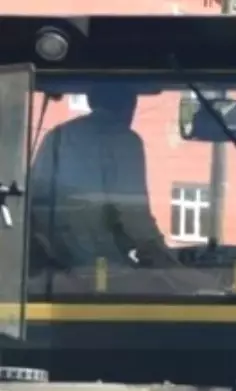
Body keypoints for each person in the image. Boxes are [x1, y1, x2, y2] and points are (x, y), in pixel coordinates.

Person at [29, 83, 174, 271]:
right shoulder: (125, 140)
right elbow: (133, 214)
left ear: (91, 101)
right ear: (130, 105)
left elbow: (33, 200)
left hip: (52, 268)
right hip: (101, 267)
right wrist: (164, 257)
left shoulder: (56, 136)